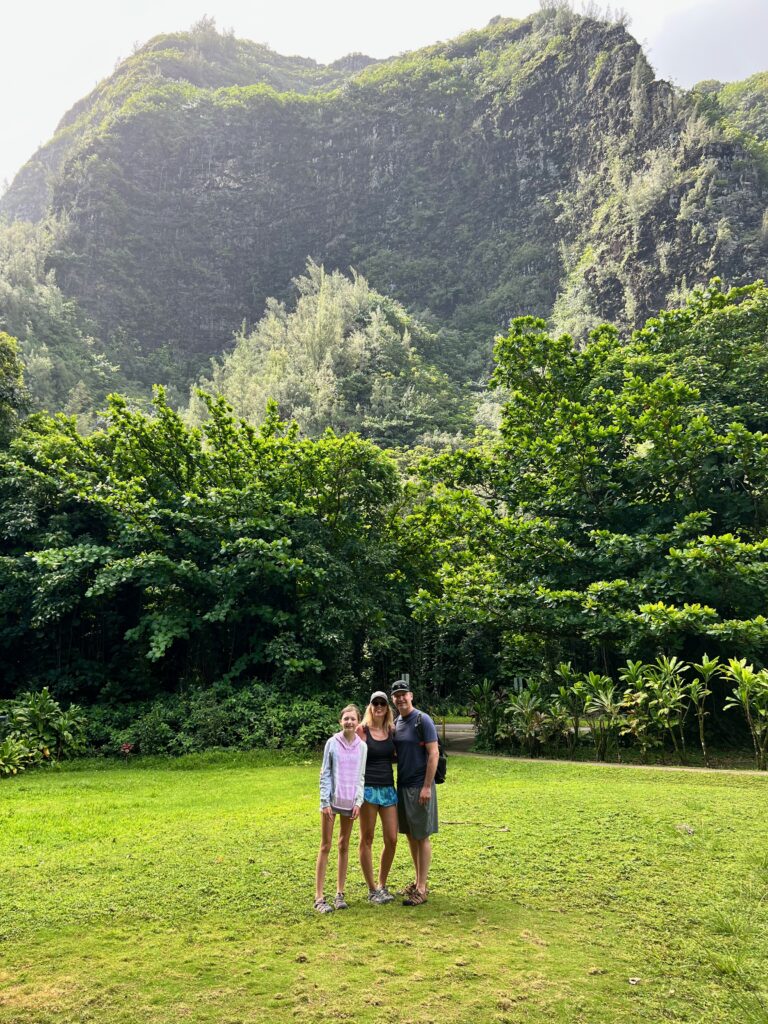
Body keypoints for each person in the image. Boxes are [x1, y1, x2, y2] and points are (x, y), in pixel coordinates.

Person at [314, 704, 367, 914]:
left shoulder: (362, 747)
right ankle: (319, 897)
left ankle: (339, 893)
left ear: (358, 721)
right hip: (331, 802)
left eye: (353, 719)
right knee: (325, 845)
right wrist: (325, 801)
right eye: (346, 719)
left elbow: (361, 777)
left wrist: (359, 802)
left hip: (350, 802)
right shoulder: (332, 743)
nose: (349, 722)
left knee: (344, 845)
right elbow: (324, 773)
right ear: (340, 721)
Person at [391, 679, 439, 906]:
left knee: (422, 835)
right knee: (410, 834)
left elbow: (434, 753)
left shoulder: (423, 720)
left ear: (411, 696)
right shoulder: (397, 722)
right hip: (402, 786)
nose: (400, 698)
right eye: (396, 695)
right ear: (393, 700)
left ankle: (422, 887)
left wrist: (427, 786)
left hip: (420, 786)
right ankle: (418, 880)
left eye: (403, 694)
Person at [356, 691, 398, 904]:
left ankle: (382, 884)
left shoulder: (391, 730)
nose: (379, 706)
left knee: (392, 839)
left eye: (382, 703)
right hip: (369, 789)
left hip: (389, 789)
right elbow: (349, 752)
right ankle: (372, 888)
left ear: (387, 708)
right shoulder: (362, 731)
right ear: (370, 707)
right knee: (368, 837)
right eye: (375, 703)